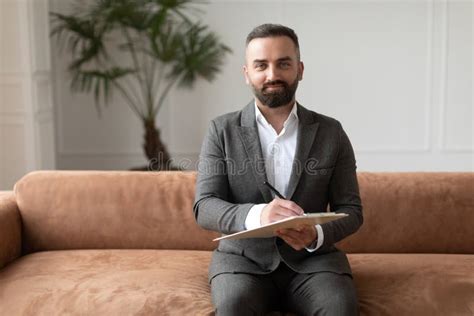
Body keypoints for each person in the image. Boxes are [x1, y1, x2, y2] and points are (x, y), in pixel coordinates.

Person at [193, 23, 363, 315]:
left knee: (340, 308)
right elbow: (204, 206)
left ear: (299, 69)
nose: (272, 75)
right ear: (247, 74)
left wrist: (316, 235)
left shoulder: (331, 132)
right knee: (233, 306)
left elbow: (351, 209)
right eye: (261, 65)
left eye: (283, 64)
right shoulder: (220, 130)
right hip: (242, 264)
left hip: (315, 263)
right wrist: (258, 215)